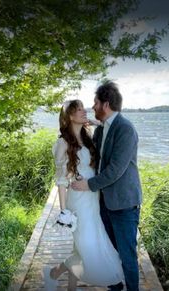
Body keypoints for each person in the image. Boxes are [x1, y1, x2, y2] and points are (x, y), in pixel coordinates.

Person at [71, 81, 142, 291]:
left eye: (95, 102)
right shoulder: (102, 130)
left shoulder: (126, 129)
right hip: (104, 203)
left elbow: (115, 170)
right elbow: (95, 157)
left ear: (106, 104)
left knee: (127, 255)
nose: (92, 106)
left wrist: (88, 185)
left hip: (124, 204)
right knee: (110, 252)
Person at [50, 100, 124, 291]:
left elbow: (108, 135)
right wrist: (64, 211)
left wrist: (97, 123)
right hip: (78, 202)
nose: (85, 111)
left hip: (94, 198)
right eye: (79, 109)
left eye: (84, 107)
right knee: (87, 246)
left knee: (79, 248)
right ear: (69, 116)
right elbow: (61, 180)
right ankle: (55, 273)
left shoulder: (88, 137)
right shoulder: (62, 143)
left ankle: (57, 277)